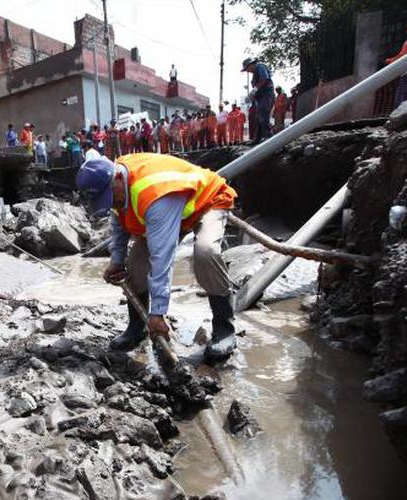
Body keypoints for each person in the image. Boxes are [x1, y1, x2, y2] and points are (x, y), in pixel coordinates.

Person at [75, 153, 240, 362]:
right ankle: (137, 328)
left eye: (110, 196)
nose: (112, 202)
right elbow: (118, 222)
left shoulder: (152, 193)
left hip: (206, 202)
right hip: (169, 211)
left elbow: (162, 260)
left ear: (117, 177)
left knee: (205, 252)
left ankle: (225, 330)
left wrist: (158, 314)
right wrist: (116, 261)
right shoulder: (117, 185)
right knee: (135, 262)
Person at [242, 57, 274, 142]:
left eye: (247, 69)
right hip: (260, 98)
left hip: (267, 95)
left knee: (263, 115)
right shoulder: (255, 73)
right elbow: (257, 89)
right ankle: (258, 138)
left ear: (251, 65)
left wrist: (254, 90)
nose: (247, 71)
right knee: (258, 118)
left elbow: (264, 79)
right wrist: (251, 96)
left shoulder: (260, 67)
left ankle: (268, 137)